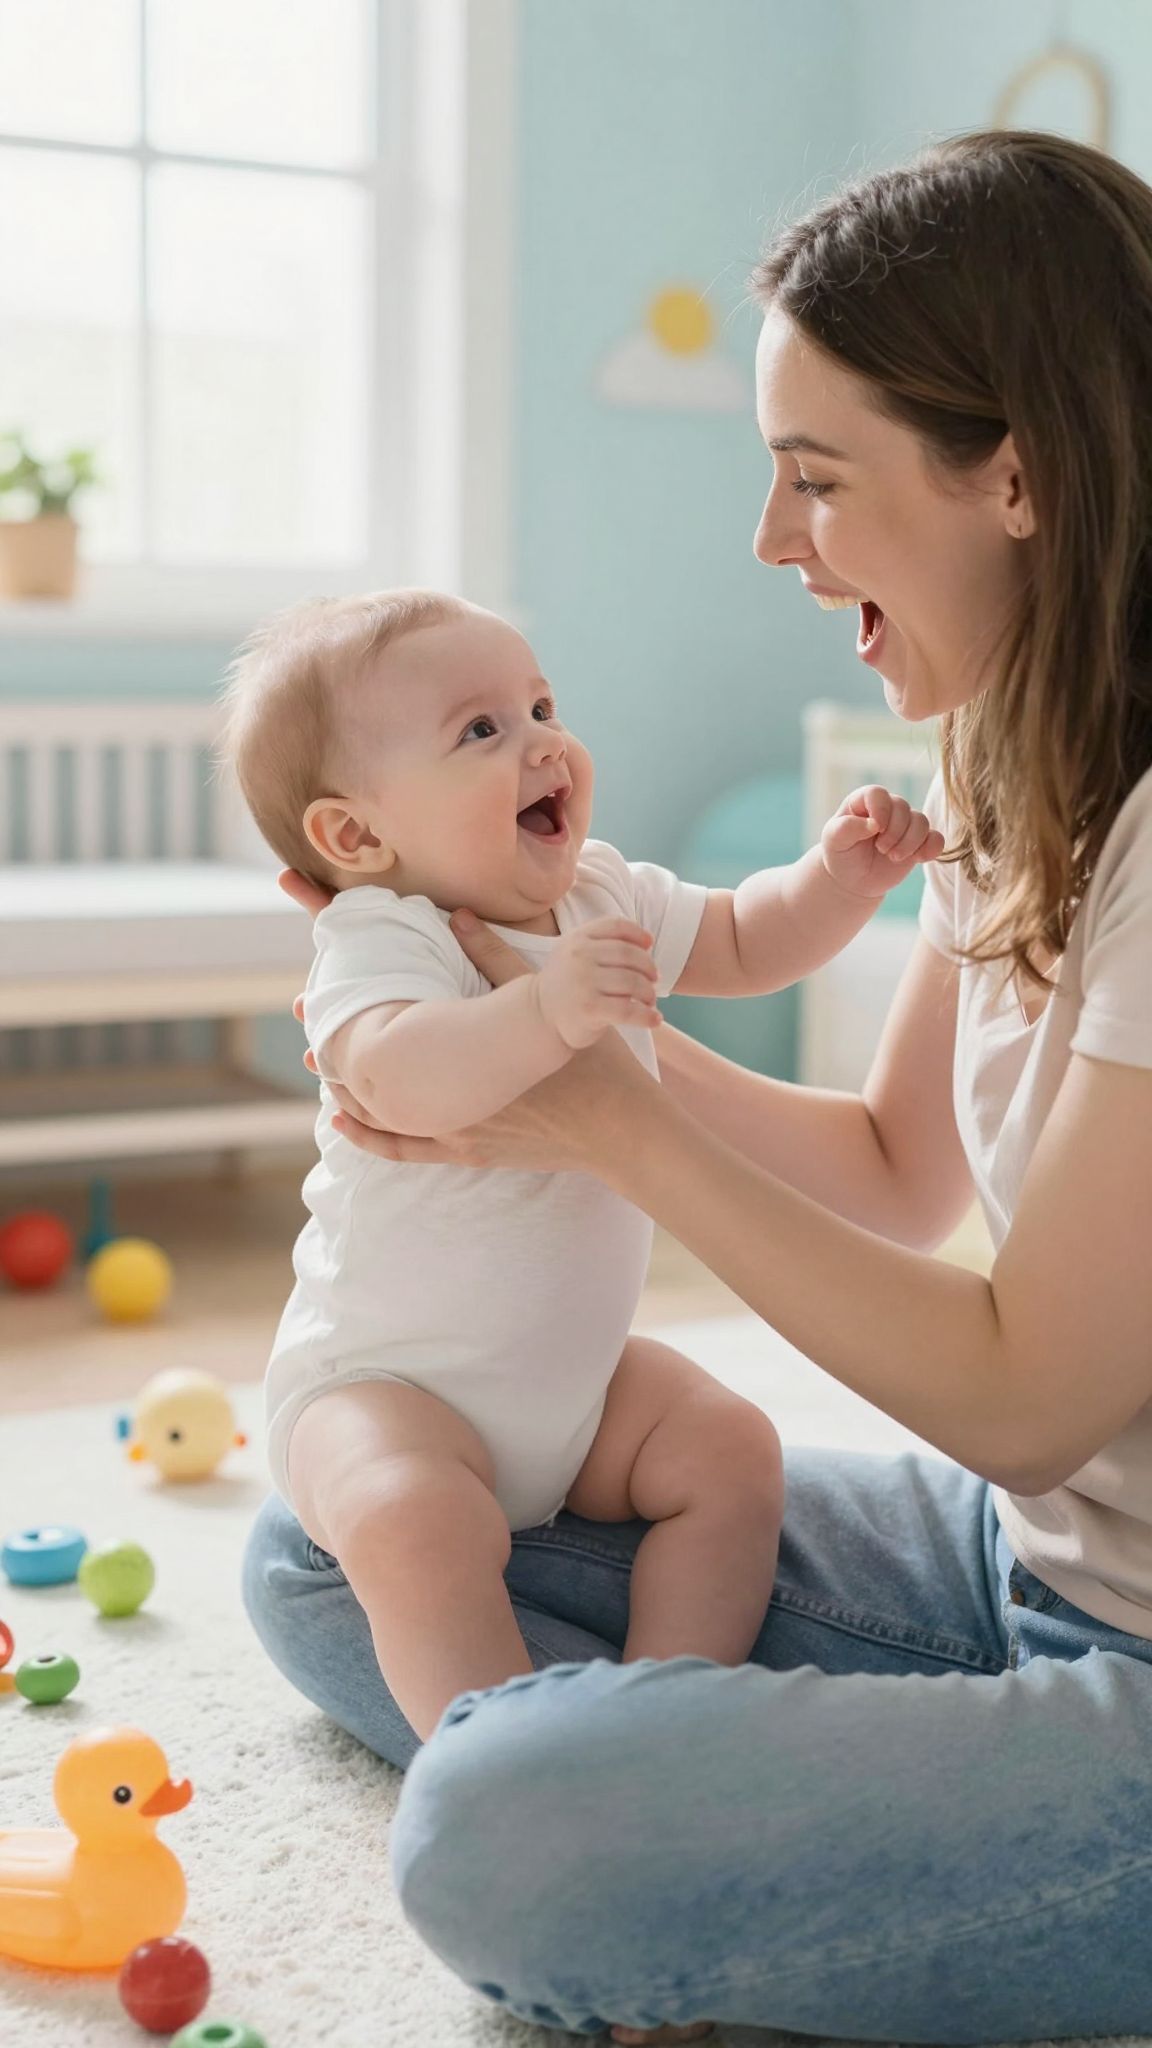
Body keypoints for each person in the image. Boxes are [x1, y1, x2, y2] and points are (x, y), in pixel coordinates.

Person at [242, 128, 1152, 2045]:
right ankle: (715, 1758)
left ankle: (684, 1784)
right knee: (334, 1536)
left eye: (814, 480)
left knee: (501, 1825)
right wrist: (561, 1029)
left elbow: (1031, 1380)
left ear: (1020, 473)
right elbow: (906, 1175)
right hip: (1047, 1548)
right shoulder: (1006, 757)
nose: (769, 539)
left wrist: (604, 1116)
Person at [221, 586, 940, 1743]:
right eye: (481, 729)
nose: (543, 739)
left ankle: (662, 1713)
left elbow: (749, 938)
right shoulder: (383, 935)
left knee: (728, 1448)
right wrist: (546, 1010)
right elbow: (396, 1077)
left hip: (574, 1386)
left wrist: (839, 882)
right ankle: (512, 1748)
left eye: (541, 703)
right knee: (412, 1522)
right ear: (356, 838)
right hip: (385, 1390)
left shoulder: (604, 889)